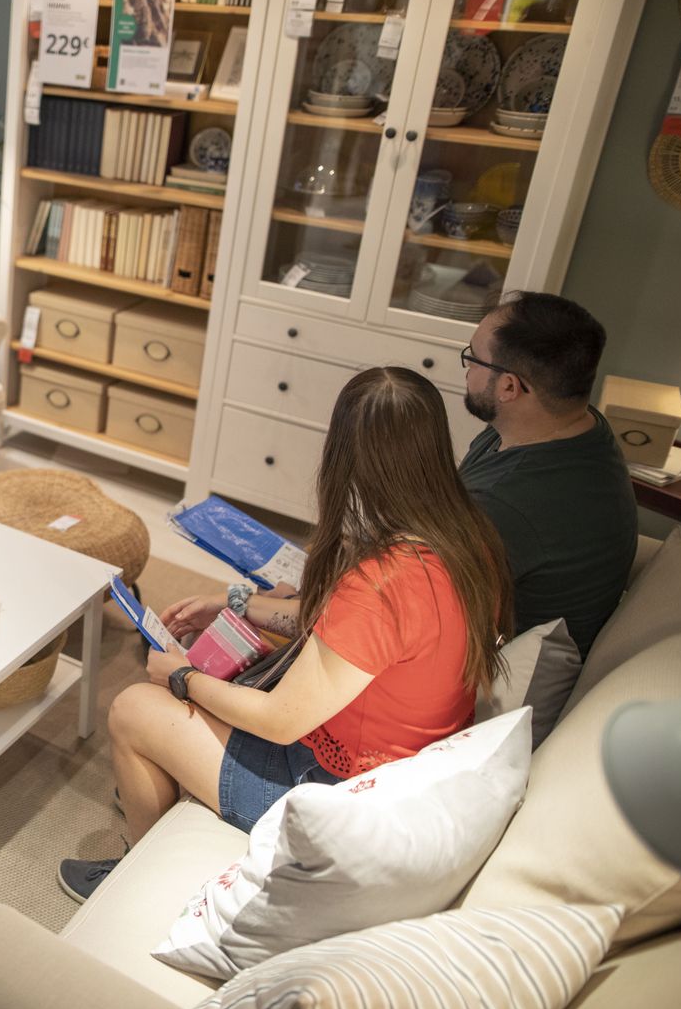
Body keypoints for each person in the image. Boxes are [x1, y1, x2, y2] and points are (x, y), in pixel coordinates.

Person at [57, 367, 514, 903]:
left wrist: (180, 676)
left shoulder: (384, 583)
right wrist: (239, 606)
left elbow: (280, 721)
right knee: (199, 682)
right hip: (396, 769)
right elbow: (348, 639)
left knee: (134, 705)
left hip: (332, 796)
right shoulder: (464, 537)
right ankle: (160, 784)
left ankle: (129, 877)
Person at [457, 291, 636, 658]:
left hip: (490, 672)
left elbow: (422, 612)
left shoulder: (506, 502)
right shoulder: (581, 427)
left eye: (472, 359)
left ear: (509, 387)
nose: (468, 370)